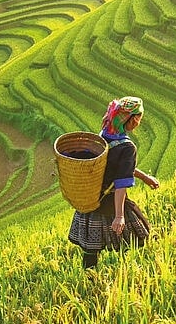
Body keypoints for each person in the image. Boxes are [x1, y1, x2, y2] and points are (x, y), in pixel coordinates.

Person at [68, 96, 160, 269]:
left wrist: (145, 178)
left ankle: (89, 277)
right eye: (138, 117)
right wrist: (119, 216)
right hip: (110, 199)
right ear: (131, 120)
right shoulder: (127, 147)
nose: (139, 121)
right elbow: (121, 182)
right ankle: (130, 271)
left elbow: (119, 167)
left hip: (91, 197)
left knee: (91, 246)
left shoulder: (103, 136)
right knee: (138, 235)